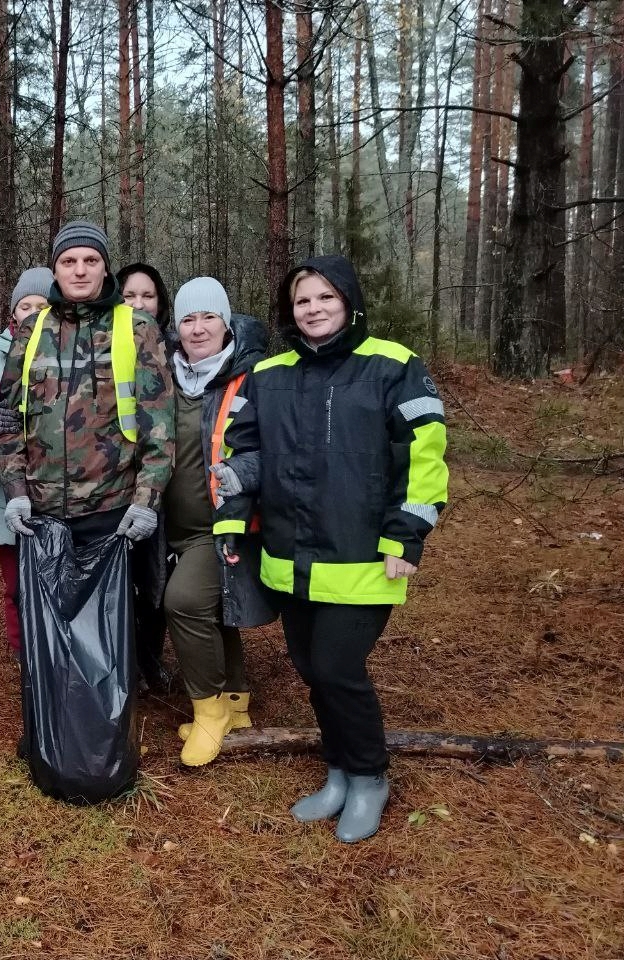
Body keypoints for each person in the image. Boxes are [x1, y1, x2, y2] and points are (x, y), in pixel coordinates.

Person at [215, 254, 448, 843]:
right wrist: (234, 522)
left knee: (339, 669)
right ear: (288, 311)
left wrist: (406, 536)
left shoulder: (394, 366)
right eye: (302, 300)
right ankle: (339, 772)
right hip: (290, 555)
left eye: (324, 297)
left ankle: (370, 777)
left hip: (364, 555)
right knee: (311, 671)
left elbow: (425, 457)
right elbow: (243, 457)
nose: (313, 309)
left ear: (347, 300)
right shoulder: (268, 374)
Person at [0, 220, 174, 592]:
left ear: (105, 267)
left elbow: (159, 426)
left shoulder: (137, 328)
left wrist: (146, 501)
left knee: (110, 633)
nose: (79, 270)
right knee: (49, 633)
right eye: (69, 260)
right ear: (55, 269)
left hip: (112, 512)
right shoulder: (32, 331)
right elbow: (9, 420)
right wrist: (15, 493)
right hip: (41, 512)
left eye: (91, 260)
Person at [159, 277, 268, 767]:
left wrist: (239, 475)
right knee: (213, 608)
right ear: (175, 326)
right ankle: (235, 699)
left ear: (226, 322)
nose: (198, 328)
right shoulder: (165, 375)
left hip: (223, 524)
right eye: (188, 318)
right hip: (171, 524)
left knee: (183, 602)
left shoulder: (250, 377)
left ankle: (209, 713)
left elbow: (270, 449)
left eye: (208, 317)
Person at [0, 267, 53, 654]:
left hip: (58, 489)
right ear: (13, 314)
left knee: (54, 575)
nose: (33, 312)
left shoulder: (70, 354)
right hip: (7, 491)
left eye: (41, 304)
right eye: (25, 305)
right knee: (15, 582)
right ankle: (20, 648)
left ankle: (51, 646)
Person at [116, 262, 176, 693]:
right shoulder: (109, 345)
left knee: (161, 581)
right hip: (122, 486)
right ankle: (127, 664)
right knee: (128, 577)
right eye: (129, 296)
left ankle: (152, 660)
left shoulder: (179, 350)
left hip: (173, 489)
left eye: (147, 296)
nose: (139, 304)